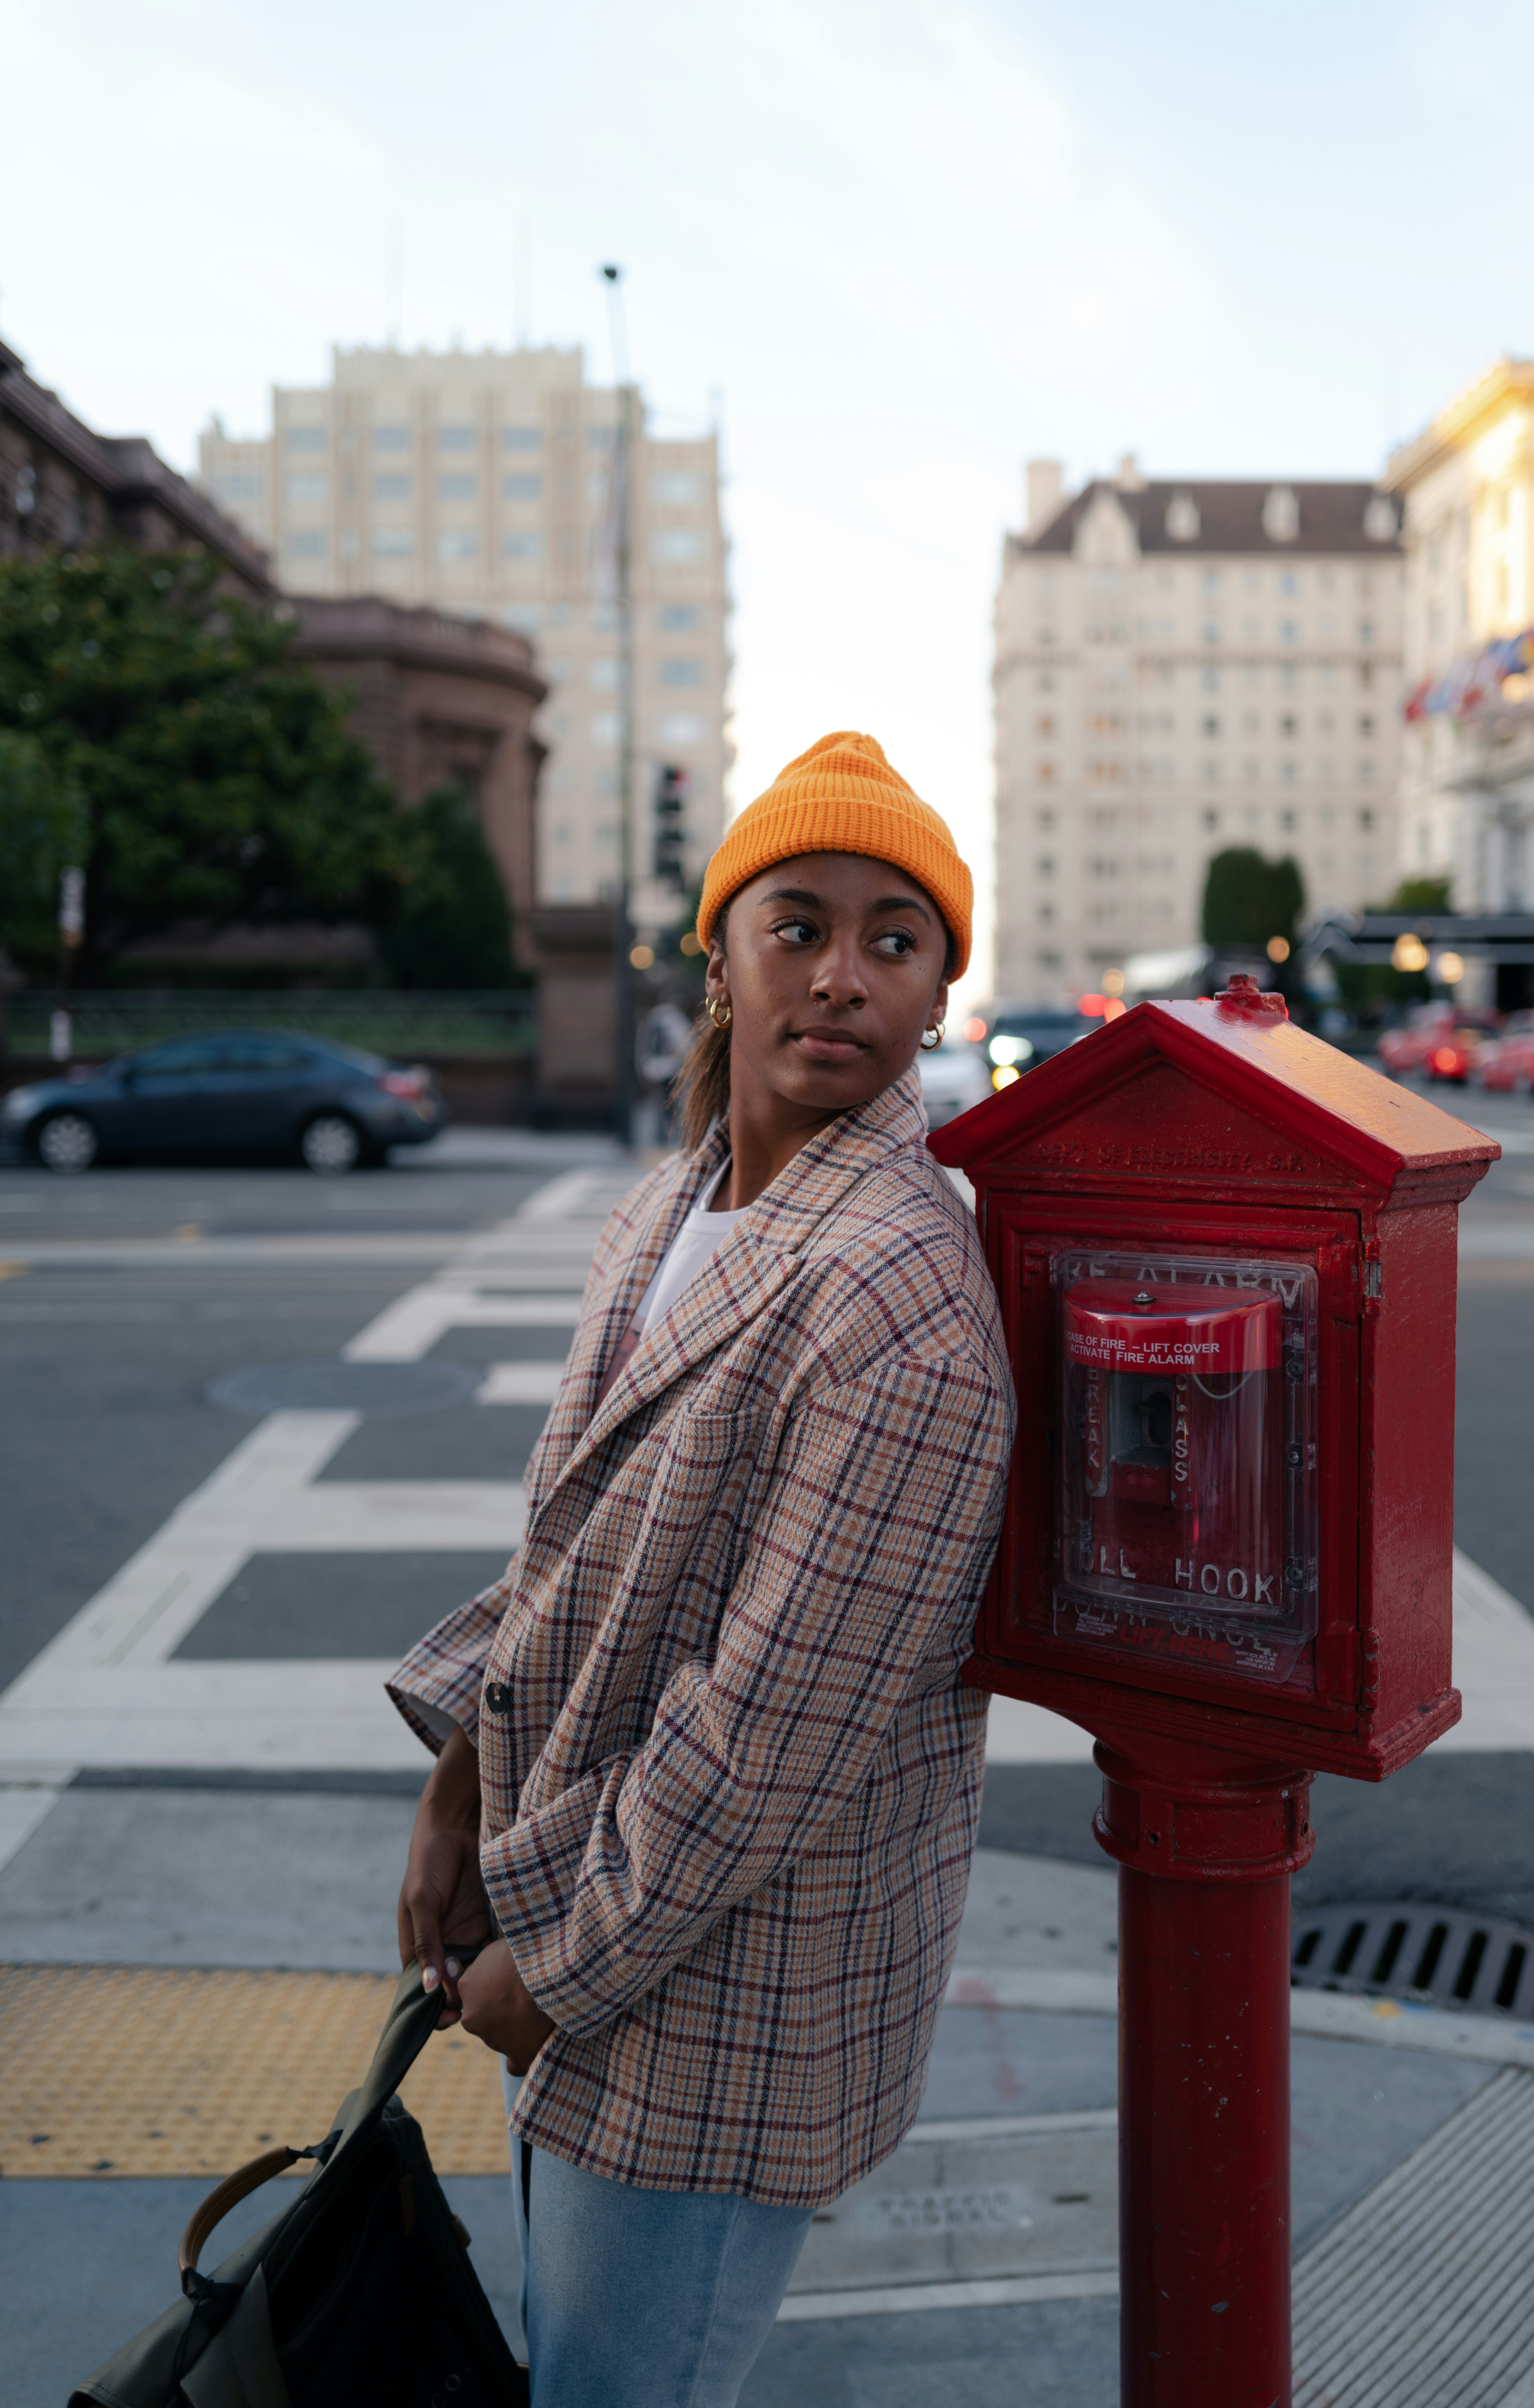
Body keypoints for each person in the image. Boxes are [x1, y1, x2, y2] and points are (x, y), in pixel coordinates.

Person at [390, 730, 1014, 2407]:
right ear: (720, 961)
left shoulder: (901, 1299)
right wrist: (457, 1794)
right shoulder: (667, 1211)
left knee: (614, 2390)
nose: (842, 977)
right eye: (796, 923)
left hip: (726, 1977)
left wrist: (558, 1964)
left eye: (897, 941)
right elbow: (571, 1553)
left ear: (943, 990)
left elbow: (770, 1733)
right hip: (577, 1886)